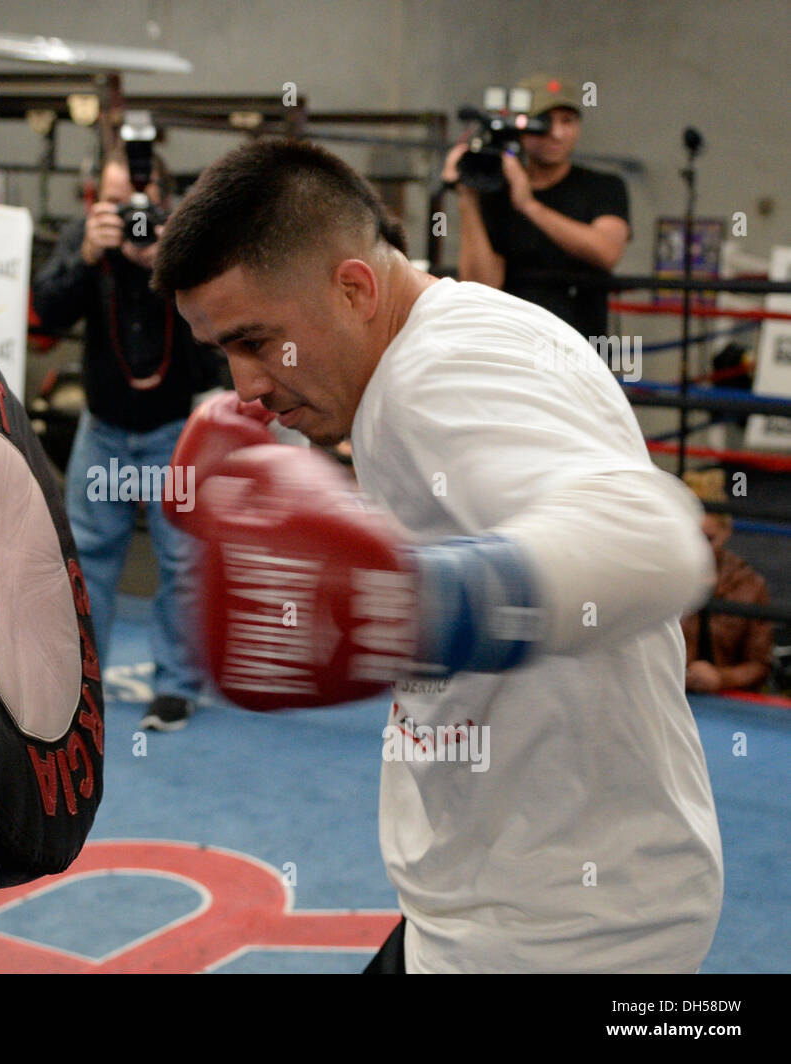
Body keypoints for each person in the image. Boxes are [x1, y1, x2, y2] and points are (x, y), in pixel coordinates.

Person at [153, 137, 723, 973]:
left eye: (256, 341)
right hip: (502, 890)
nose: (247, 387)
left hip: (557, 933)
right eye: (224, 354)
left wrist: (417, 607)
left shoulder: (440, 374)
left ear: (354, 287)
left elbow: (658, 539)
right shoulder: (430, 342)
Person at [33, 148, 222, 731]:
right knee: (87, 561)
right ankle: (81, 686)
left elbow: (215, 327)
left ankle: (176, 688)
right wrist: (89, 256)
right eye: (114, 202)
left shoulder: (185, 243)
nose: (127, 214)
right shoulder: (88, 242)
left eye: (135, 201)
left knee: (183, 562)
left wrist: (168, 262)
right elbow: (46, 309)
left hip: (172, 429)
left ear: (161, 197)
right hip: (104, 427)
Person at [444, 74, 630, 340]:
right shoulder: (497, 191)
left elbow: (606, 252)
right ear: (521, 128)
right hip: (513, 342)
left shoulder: (603, 186)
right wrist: (467, 197)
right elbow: (480, 285)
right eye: (544, 122)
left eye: (568, 121)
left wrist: (528, 205)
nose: (557, 133)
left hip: (580, 346)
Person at [681, 469, 773, 693]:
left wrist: (722, 679)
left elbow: (760, 665)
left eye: (708, 539)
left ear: (726, 531)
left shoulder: (748, 585)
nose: (699, 549)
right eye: (689, 537)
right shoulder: (657, 578)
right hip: (666, 698)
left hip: (726, 708)